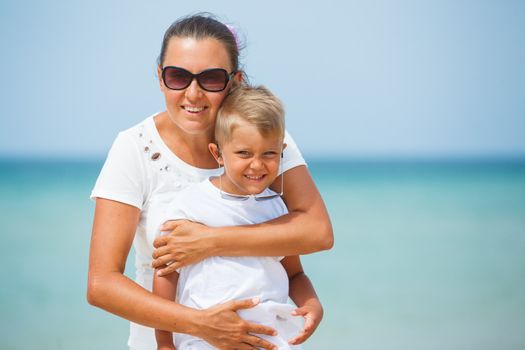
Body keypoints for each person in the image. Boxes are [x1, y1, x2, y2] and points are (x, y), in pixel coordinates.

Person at [87, 13, 333, 350]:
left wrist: (211, 241)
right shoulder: (134, 148)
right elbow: (102, 283)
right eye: (178, 76)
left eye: (211, 78)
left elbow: (316, 232)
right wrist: (201, 325)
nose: (193, 93)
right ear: (160, 78)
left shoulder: (264, 141)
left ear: (234, 80)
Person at [153, 85, 323, 350]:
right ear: (218, 153)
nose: (257, 164)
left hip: (270, 340)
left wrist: (311, 303)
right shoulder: (189, 206)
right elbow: (165, 274)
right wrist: (164, 342)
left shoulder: (278, 208)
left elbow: (294, 274)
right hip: (204, 342)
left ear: (282, 152)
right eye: (244, 153)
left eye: (269, 153)